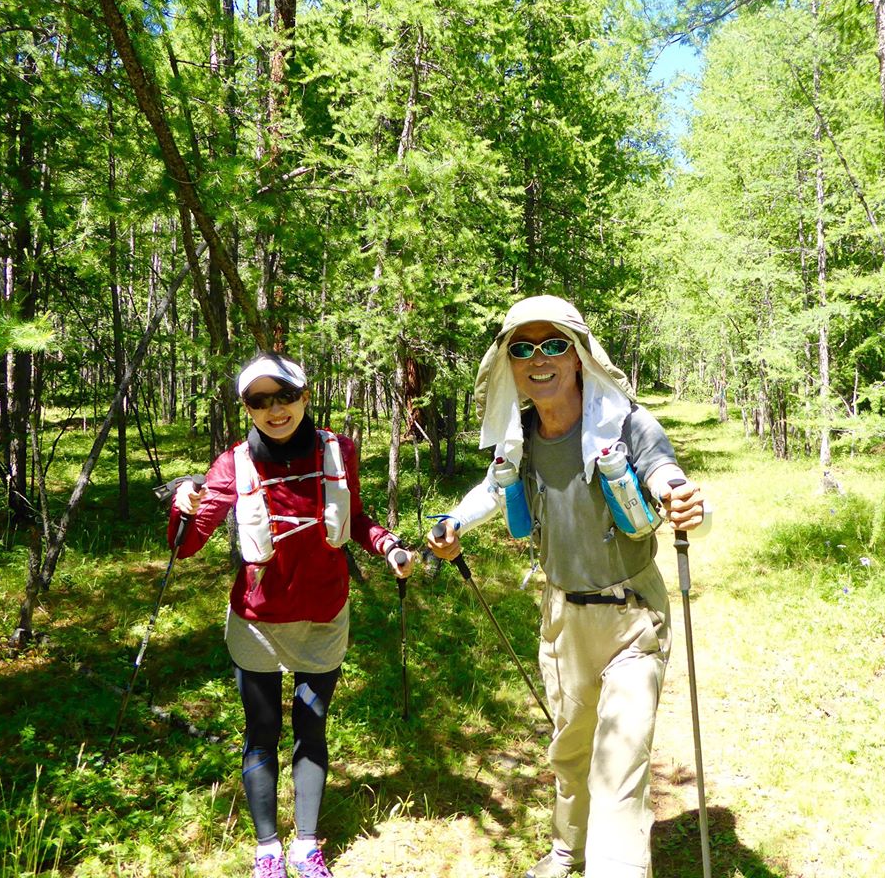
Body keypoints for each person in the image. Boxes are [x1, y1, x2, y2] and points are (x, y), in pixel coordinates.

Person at [427, 296, 707, 878]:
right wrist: (453, 521)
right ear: (509, 364)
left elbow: (663, 473)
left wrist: (681, 497)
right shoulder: (520, 434)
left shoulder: (627, 422)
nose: (539, 358)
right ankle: (566, 851)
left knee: (619, 763)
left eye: (553, 344)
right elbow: (492, 487)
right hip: (562, 621)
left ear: (579, 356)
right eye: (522, 348)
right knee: (572, 750)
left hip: (634, 616)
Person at [169, 353, 414, 878]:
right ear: (247, 409)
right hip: (258, 619)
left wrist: (388, 546)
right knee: (261, 729)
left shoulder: (338, 450)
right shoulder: (232, 464)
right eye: (260, 401)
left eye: (284, 396)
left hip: (324, 613)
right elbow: (186, 546)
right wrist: (182, 506)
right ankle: (266, 851)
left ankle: (306, 845)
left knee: (312, 725)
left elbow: (357, 518)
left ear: (304, 396)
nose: (274, 409)